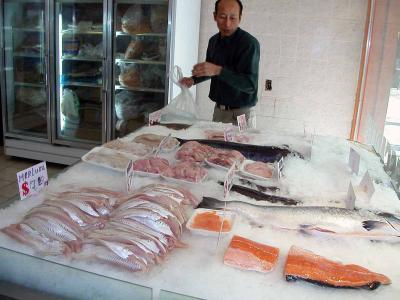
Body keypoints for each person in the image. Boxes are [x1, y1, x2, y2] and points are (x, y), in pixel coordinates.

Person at [180, 0, 260, 125]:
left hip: (241, 113)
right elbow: (210, 70)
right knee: (214, 144)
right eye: (222, 17)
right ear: (215, 16)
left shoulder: (249, 44)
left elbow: (250, 85)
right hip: (219, 111)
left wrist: (218, 70)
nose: (227, 23)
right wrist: (193, 80)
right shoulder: (214, 41)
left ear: (240, 18)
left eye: (233, 18)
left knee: (240, 144)